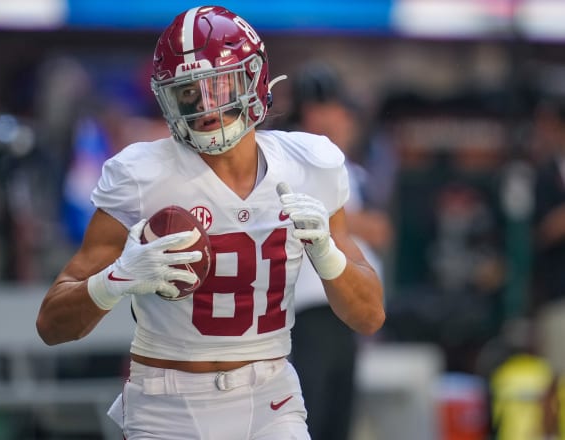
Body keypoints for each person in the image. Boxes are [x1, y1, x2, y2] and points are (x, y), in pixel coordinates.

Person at [36, 6, 385, 439]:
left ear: (253, 77)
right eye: (188, 93)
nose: (205, 106)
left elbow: (369, 316)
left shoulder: (310, 165)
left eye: (218, 84)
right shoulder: (142, 175)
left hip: (270, 399)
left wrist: (327, 255)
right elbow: (51, 325)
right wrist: (116, 279)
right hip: (166, 405)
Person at [282, 61, 393, 440]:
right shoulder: (290, 159)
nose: (342, 121)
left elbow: (382, 230)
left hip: (347, 308)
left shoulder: (350, 171)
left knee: (338, 417)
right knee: (311, 414)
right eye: (330, 110)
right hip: (306, 308)